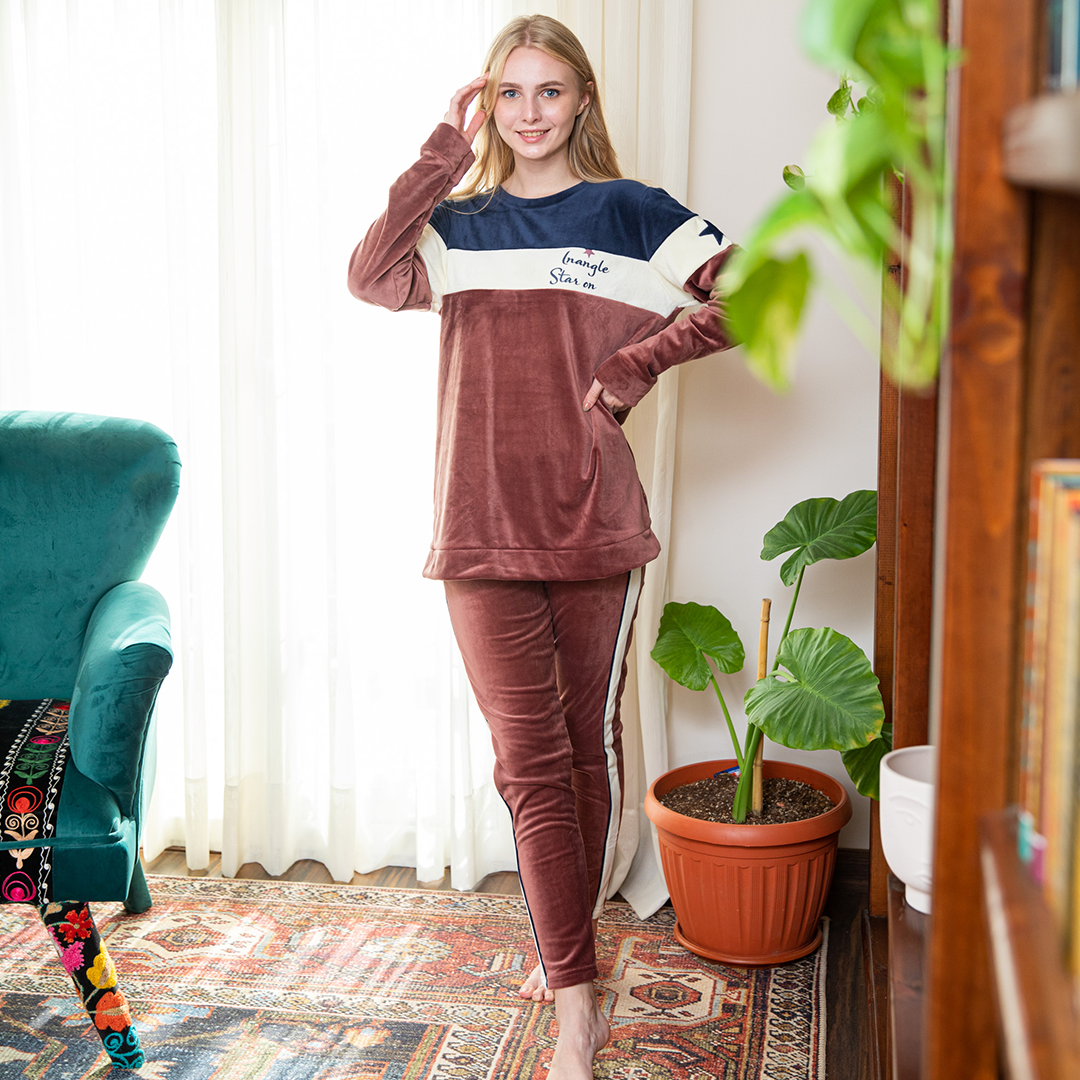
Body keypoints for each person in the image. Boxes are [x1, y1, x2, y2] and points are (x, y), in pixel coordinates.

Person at [348, 14, 735, 1079]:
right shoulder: (457, 226)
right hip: (479, 526)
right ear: (488, 103)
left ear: (582, 100)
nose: (530, 113)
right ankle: (575, 993)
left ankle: (572, 959)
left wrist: (634, 367)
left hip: (593, 521)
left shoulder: (632, 212)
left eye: (550, 91)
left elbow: (749, 295)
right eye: (509, 93)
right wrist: (442, 148)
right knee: (527, 764)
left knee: (581, 745)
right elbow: (370, 274)